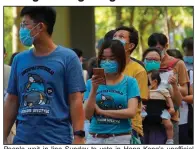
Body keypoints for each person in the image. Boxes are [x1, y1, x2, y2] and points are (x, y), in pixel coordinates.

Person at [4, 6, 86, 144]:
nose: (21, 29)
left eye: (25, 24)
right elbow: (12, 100)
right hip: (23, 140)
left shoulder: (68, 58)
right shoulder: (19, 59)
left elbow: (75, 100)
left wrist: (79, 136)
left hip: (57, 140)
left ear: (40, 27)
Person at [84, 40, 140, 144]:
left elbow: (131, 112)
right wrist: (94, 89)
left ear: (121, 60)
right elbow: (87, 115)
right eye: (104, 59)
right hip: (95, 138)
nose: (107, 62)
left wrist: (102, 112)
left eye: (112, 59)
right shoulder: (90, 83)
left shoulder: (130, 82)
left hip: (120, 138)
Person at [148, 33, 189, 144]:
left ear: (166, 46)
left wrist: (170, 85)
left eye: (159, 49)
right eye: (153, 49)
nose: (156, 52)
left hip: (170, 116)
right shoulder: (146, 64)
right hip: (149, 115)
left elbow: (185, 91)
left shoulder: (178, 64)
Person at [113, 26, 148, 141]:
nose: (116, 39)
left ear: (131, 46)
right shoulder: (105, 66)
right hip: (105, 126)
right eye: (115, 36)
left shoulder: (138, 71)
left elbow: (138, 103)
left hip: (129, 128)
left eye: (121, 37)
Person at [142, 47, 183, 144]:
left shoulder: (166, 78)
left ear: (160, 61)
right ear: (143, 60)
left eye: (156, 60)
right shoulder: (138, 77)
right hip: (144, 124)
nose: (152, 62)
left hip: (162, 124)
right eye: (149, 59)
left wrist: (174, 85)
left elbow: (177, 101)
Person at [141, 70, 175, 144]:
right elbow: (139, 101)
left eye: (147, 81)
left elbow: (170, 102)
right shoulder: (144, 91)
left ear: (155, 81)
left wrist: (171, 109)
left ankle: (170, 140)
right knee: (138, 120)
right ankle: (135, 134)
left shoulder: (163, 91)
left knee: (168, 124)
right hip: (146, 111)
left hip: (161, 112)